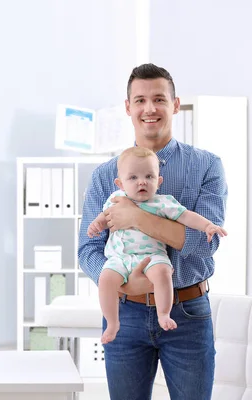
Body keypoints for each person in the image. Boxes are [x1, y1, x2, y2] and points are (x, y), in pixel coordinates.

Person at [79, 63, 227, 399]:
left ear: (175, 105)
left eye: (159, 99)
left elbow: (204, 244)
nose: (150, 109)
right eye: (140, 100)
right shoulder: (106, 176)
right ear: (128, 107)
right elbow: (87, 249)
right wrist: (128, 284)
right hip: (124, 314)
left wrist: (134, 217)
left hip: (187, 312)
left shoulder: (206, 166)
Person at [87, 146, 227, 345]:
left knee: (162, 273)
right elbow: (102, 219)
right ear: (120, 183)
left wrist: (208, 225)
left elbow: (186, 216)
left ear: (158, 181)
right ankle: (112, 322)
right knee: (106, 279)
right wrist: (96, 225)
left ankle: (163, 313)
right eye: (133, 178)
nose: (142, 181)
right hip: (119, 258)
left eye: (149, 177)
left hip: (152, 255)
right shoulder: (115, 199)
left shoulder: (161, 203)